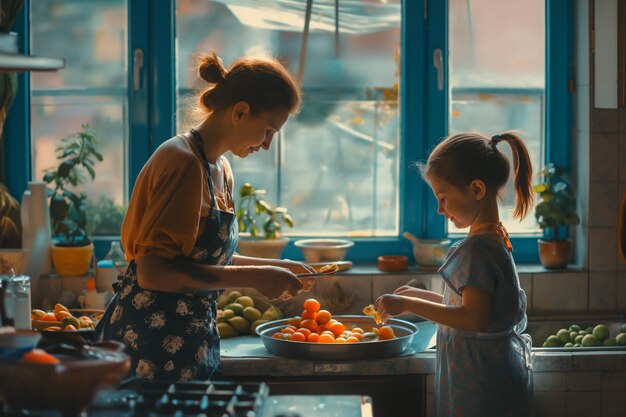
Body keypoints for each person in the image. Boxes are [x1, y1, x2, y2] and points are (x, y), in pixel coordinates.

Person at [96, 51, 316, 382]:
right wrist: (255, 278)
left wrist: (280, 268)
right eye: (268, 131)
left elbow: (207, 256)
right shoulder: (183, 162)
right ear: (240, 112)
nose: (268, 145)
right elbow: (153, 272)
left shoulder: (219, 167)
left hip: (189, 342)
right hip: (150, 345)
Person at [375, 132, 534, 417]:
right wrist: (419, 296)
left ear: (476, 190)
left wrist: (410, 305)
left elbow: (473, 318)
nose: (439, 209)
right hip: (492, 377)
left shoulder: (476, 250)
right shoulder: (494, 238)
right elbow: (475, 305)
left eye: (443, 198)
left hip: (480, 385)